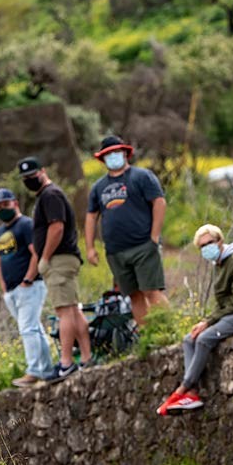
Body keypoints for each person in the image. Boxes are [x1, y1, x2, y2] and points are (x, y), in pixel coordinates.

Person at [157, 225, 233, 415]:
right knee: (189, 339)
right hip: (232, 313)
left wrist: (209, 323)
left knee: (203, 339)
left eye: (210, 243)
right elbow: (222, 303)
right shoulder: (219, 264)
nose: (206, 248)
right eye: (202, 246)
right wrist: (206, 320)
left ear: (220, 241)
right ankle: (192, 394)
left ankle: (182, 389)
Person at [17, 156, 91, 381]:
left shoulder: (50, 195)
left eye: (32, 175)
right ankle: (86, 357)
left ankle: (66, 363)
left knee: (64, 311)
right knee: (74, 310)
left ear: (43, 171)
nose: (30, 180)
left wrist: (45, 257)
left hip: (59, 259)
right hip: (63, 259)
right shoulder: (47, 196)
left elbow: (56, 227)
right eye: (25, 178)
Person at [84, 135, 169, 324]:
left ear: (125, 153)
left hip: (143, 245)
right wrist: (90, 248)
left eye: (116, 152)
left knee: (151, 291)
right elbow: (91, 216)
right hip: (116, 251)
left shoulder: (142, 177)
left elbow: (159, 202)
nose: (113, 156)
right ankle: (146, 335)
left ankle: (168, 330)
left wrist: (154, 236)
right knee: (134, 295)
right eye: (109, 154)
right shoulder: (98, 187)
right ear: (103, 159)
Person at [0, 188, 52, 387]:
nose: (2, 209)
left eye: (5, 204)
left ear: (15, 203)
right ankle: (47, 370)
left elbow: (36, 253)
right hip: (11, 291)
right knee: (34, 329)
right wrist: (4, 289)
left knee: (28, 329)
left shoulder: (26, 225)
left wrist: (28, 279)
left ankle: (33, 372)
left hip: (30, 286)